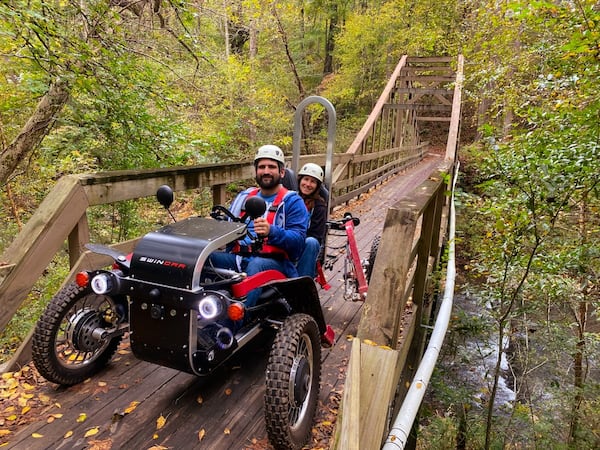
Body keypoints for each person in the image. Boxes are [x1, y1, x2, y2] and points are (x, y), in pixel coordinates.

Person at [207, 144, 309, 308]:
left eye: (271, 167)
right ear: (256, 171)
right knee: (204, 260)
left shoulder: (293, 202)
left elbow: (298, 243)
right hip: (239, 258)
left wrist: (272, 231)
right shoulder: (244, 197)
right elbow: (227, 224)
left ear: (282, 172)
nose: (266, 171)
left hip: (275, 262)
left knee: (256, 265)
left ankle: (235, 322)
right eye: (261, 167)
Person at [295, 163, 327, 278]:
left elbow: (316, 235)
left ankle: (303, 284)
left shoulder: (319, 206)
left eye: (313, 181)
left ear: (317, 186)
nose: (308, 184)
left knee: (311, 242)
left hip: (304, 243)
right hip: (286, 240)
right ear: (300, 180)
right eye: (306, 179)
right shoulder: (290, 198)